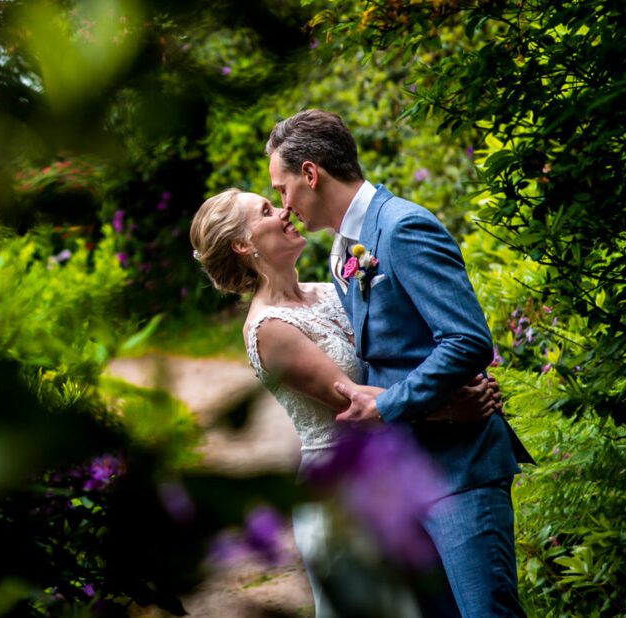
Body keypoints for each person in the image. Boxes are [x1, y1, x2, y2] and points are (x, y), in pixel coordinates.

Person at [265, 109, 531, 618]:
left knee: (487, 612)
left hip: (460, 469)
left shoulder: (404, 226)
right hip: (407, 474)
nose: (285, 204)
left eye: (283, 188)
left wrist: (390, 406)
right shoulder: (342, 251)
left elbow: (466, 339)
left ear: (310, 174)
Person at [190, 188, 498, 617]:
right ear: (243, 245)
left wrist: (454, 379)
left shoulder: (327, 290)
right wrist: (453, 407)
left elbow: (390, 362)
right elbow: (358, 407)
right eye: (266, 210)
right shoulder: (269, 329)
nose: (283, 211)